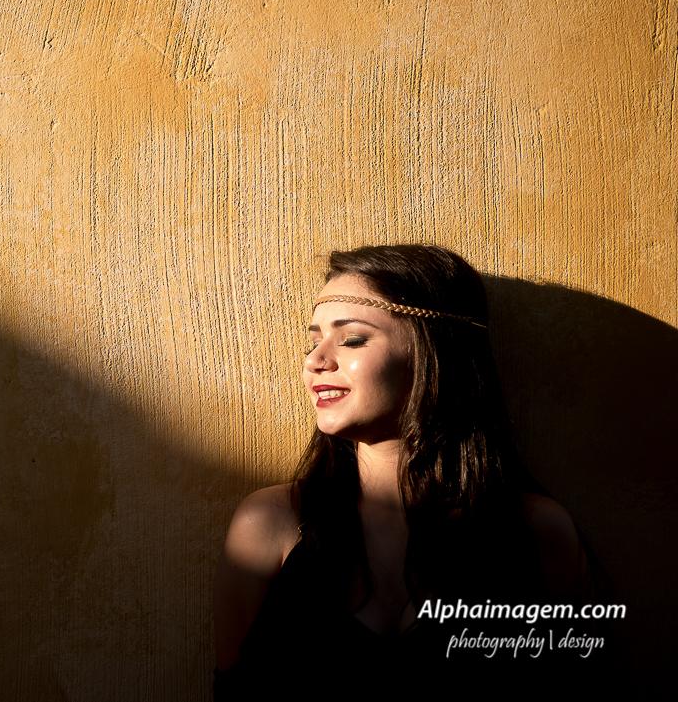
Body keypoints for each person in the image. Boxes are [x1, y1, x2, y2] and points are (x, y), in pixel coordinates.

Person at [212, 245, 601, 696]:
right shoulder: (269, 524)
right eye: (312, 339)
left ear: (434, 353)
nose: (315, 359)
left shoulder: (535, 532)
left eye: (352, 339)